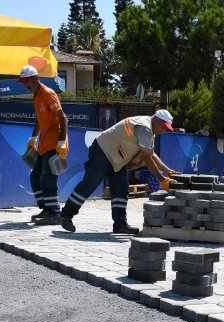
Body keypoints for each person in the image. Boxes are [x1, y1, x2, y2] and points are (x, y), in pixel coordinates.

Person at [59, 109, 178, 235]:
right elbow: (147, 158)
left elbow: (151, 154)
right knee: (90, 184)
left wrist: (167, 171)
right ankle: (65, 215)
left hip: (116, 158)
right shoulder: (144, 127)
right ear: (157, 120)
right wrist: (162, 179)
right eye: (163, 127)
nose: (163, 131)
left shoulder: (149, 130)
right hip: (103, 150)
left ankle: (120, 224)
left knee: (121, 188)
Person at [19, 65, 69, 226]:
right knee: (35, 176)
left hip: (54, 143)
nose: (25, 85)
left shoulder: (48, 94)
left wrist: (61, 142)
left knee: (47, 178)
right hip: (43, 143)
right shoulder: (36, 95)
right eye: (23, 82)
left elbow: (63, 118)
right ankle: (46, 209)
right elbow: (39, 120)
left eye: (27, 81)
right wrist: (33, 138)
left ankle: (55, 213)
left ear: (35, 78)